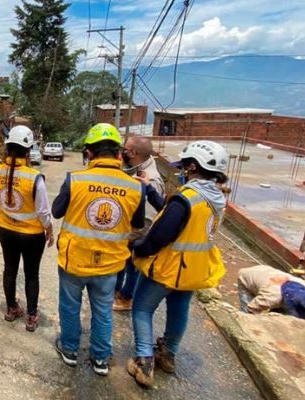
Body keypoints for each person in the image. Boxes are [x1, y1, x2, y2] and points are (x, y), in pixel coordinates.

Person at [127, 140, 230, 388]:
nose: (182, 170)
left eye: (184, 166)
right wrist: (150, 190)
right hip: (193, 269)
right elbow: (172, 213)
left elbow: (160, 235)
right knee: (179, 309)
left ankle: (144, 361)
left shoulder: (187, 198)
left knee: (142, 308)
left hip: (169, 267)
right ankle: (168, 354)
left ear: (193, 167)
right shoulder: (215, 200)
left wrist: (138, 247)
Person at [52, 123, 145, 376]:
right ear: (118, 155)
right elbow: (137, 225)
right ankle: (101, 359)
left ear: (89, 153)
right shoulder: (136, 187)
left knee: (70, 308)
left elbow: (56, 211)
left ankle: (70, 350)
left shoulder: (75, 179)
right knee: (103, 311)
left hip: (74, 261)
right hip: (110, 265)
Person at [0, 125, 54, 333]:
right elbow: (43, 211)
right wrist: (49, 230)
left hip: (5, 230)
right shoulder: (34, 177)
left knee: (9, 269)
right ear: (28, 151)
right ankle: (31, 316)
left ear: (7, 148)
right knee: (31, 274)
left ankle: (11, 309)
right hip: (31, 235)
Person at [113, 135, 166, 311]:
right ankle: (117, 292)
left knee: (132, 268)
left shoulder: (151, 180)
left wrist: (125, 236)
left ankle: (126, 298)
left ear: (134, 153)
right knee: (124, 266)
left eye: (125, 149)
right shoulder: (134, 169)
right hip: (128, 231)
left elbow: (148, 220)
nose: (122, 152)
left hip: (136, 235)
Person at [237, 264, 305, 320]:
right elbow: (250, 309)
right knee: (246, 315)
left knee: (282, 313)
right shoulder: (271, 297)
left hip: (267, 272)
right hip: (248, 277)